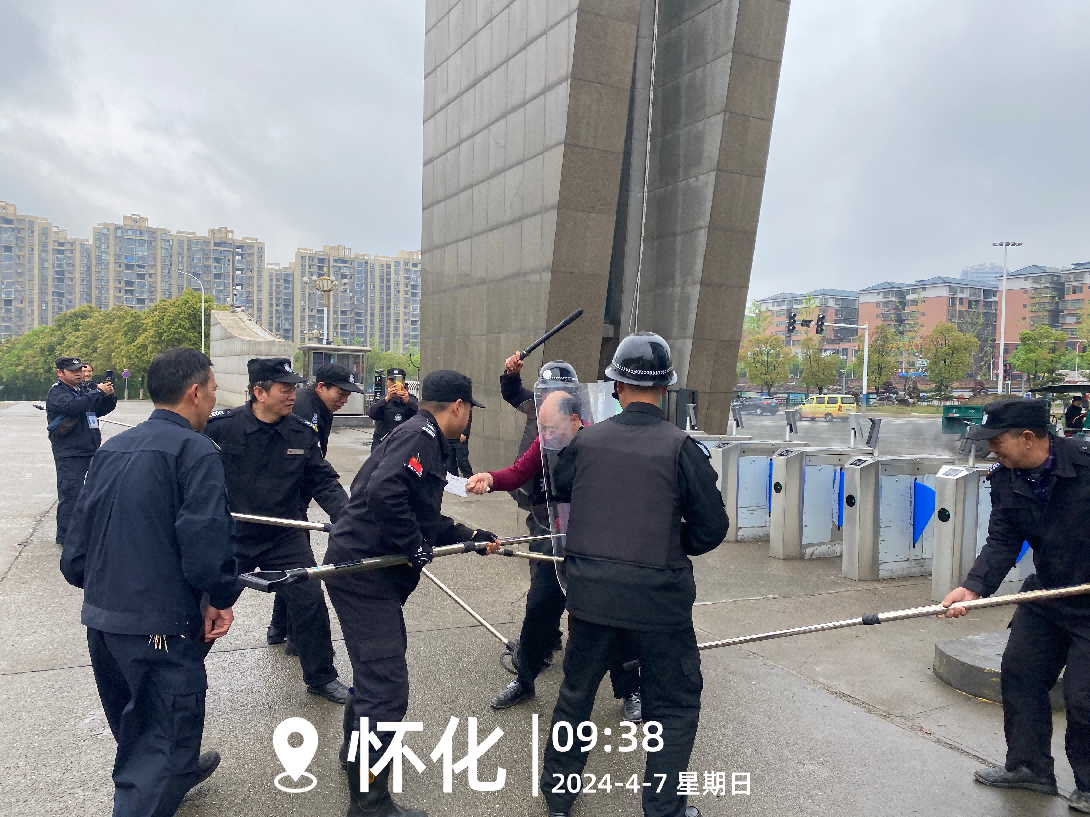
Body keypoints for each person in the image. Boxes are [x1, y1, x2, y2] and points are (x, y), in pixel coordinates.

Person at [539, 332, 728, 817]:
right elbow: (711, 528)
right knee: (673, 707)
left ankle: (558, 801)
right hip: (659, 603)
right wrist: (669, 538)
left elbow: (559, 488)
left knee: (576, 697)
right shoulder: (682, 448)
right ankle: (663, 810)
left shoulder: (586, 442)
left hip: (592, 598)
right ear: (665, 389)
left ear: (617, 387)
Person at [59, 347, 241, 817]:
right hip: (159, 627)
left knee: (138, 729)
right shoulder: (197, 451)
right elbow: (207, 541)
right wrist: (220, 596)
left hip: (104, 623)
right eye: (213, 389)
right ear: (195, 392)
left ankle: (177, 771)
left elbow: (76, 549)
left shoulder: (112, 448)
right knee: (163, 741)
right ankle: (164, 777)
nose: (214, 398)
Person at [324, 370, 498, 817]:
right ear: (458, 406)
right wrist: (414, 546)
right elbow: (384, 494)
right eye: (469, 410)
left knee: (374, 676)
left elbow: (420, 512)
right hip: (363, 574)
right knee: (386, 689)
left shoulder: (423, 437)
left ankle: (355, 757)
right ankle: (369, 803)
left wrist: (469, 535)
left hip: (368, 572)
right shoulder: (421, 435)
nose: (469, 418)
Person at [467, 362, 641, 719]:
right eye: (541, 428)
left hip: (597, 545)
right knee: (539, 608)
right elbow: (518, 472)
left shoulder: (601, 442)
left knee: (614, 616)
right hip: (555, 538)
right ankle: (525, 677)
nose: (544, 434)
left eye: (550, 428)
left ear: (575, 420)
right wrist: (490, 478)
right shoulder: (543, 442)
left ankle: (630, 689)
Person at [942, 398, 1090, 813]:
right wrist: (973, 588)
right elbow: (1003, 539)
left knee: (1084, 697)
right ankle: (1029, 767)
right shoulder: (1006, 478)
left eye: (996, 440)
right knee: (1021, 674)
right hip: (1046, 594)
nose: (991, 449)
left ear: (1028, 437)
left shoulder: (1085, 465)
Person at [204, 357, 351, 704]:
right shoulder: (220, 428)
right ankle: (182, 671)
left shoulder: (301, 432)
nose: (292, 396)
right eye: (285, 389)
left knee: (310, 601)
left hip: (284, 536)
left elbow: (323, 481)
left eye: (293, 389)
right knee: (206, 606)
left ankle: (321, 677)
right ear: (259, 392)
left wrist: (349, 519)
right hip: (233, 536)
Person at [265, 363, 368, 651]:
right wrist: (347, 516)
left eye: (348, 393)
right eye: (341, 392)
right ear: (321, 386)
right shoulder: (303, 409)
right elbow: (302, 464)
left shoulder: (321, 408)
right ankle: (296, 638)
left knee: (291, 570)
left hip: (295, 497)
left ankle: (278, 628)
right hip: (286, 501)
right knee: (301, 574)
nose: (345, 398)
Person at [46, 356, 116, 545]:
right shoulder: (57, 392)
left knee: (91, 492)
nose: (79, 374)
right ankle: (66, 536)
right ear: (60, 373)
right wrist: (97, 393)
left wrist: (108, 396)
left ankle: (85, 532)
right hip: (69, 451)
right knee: (71, 493)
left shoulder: (83, 390)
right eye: (73, 371)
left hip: (89, 447)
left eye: (80, 370)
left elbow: (98, 409)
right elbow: (74, 406)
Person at [293, 363, 365, 457]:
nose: (345, 400)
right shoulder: (301, 409)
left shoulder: (324, 407)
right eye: (341, 394)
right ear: (321, 387)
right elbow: (298, 457)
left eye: (347, 396)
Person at [367, 367, 418, 448]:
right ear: (387, 382)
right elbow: (372, 414)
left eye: (398, 381)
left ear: (403, 382)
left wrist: (408, 402)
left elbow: (420, 415)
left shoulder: (412, 399)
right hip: (383, 444)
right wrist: (386, 399)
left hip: (405, 444)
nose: (394, 384)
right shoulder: (381, 399)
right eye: (391, 381)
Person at [447, 407, 474, 477]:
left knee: (463, 462)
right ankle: (454, 482)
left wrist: (465, 433)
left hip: (460, 437)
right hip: (449, 435)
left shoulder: (464, 404)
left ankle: (470, 480)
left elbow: (468, 416)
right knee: (450, 463)